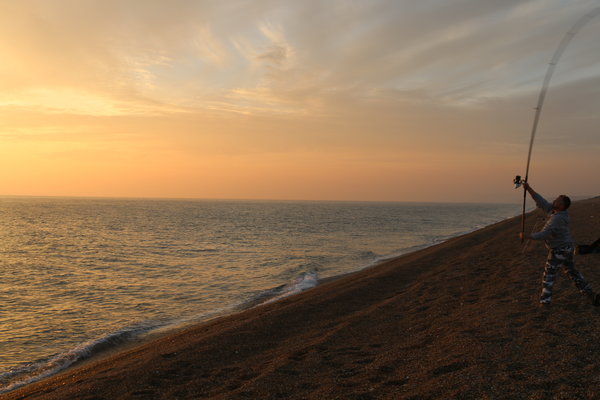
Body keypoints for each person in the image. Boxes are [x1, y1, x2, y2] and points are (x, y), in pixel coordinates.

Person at [520, 183, 600, 306]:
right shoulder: (554, 211)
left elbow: (544, 234)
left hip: (559, 250)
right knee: (572, 272)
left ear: (561, 205)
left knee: (548, 275)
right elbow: (541, 201)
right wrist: (528, 188)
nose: (554, 200)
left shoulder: (557, 218)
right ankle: (591, 294)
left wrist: (527, 236)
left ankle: (545, 302)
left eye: (557, 200)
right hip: (567, 248)